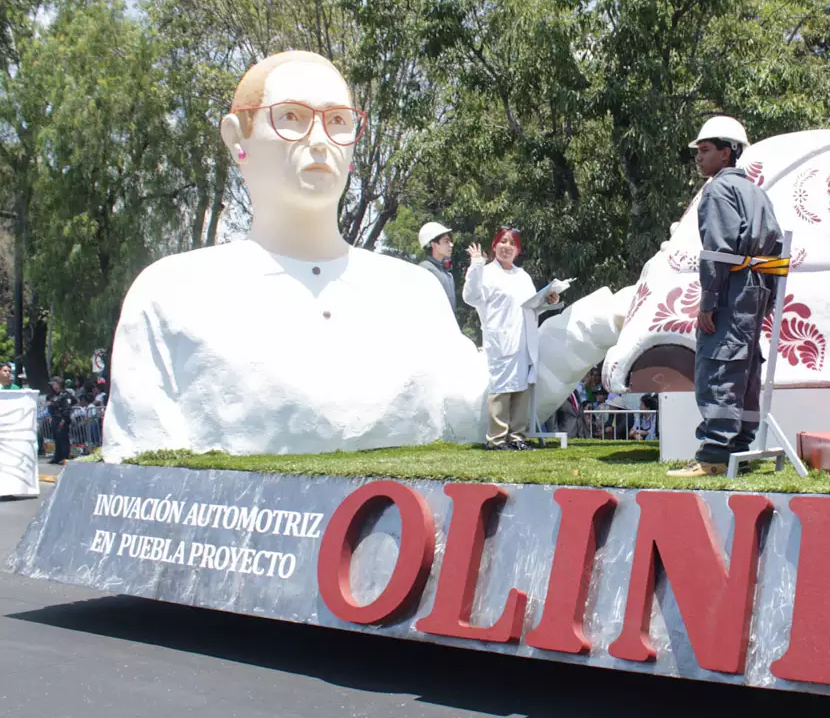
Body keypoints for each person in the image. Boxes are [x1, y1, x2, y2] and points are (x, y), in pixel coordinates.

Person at [102, 50, 490, 462]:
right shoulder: (173, 294)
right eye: (291, 117)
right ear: (237, 139)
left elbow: (475, 416)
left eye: (338, 121)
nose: (320, 140)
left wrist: (565, 342)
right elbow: (138, 486)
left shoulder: (413, 292)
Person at [668, 116, 782, 478]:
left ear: (727, 152)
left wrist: (707, 304)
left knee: (718, 365)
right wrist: (770, 300)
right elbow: (778, 247)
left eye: (705, 150)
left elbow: (717, 251)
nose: (698, 158)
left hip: (732, 286)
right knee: (745, 367)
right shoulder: (757, 192)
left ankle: (715, 454)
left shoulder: (718, 190)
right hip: (757, 286)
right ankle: (739, 448)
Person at [463, 227, 560, 450]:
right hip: (500, 339)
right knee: (501, 389)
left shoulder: (522, 276)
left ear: (517, 250)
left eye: (511, 243)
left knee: (521, 389)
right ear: (494, 246)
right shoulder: (486, 272)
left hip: (523, 339)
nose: (507, 246)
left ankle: (517, 437)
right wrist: (476, 265)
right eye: (502, 242)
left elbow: (530, 307)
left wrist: (548, 301)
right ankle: (496, 439)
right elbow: (471, 297)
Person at [417, 221, 457, 317]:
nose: (451, 245)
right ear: (433, 245)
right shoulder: (425, 269)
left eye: (450, 241)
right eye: (446, 241)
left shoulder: (447, 273)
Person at [48, 377, 77, 464]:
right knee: (57, 439)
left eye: (54, 384)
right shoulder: (53, 395)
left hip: (62, 419)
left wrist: (64, 419)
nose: (53, 386)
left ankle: (65, 457)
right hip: (54, 418)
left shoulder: (65, 395)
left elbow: (68, 407)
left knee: (63, 439)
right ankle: (57, 456)